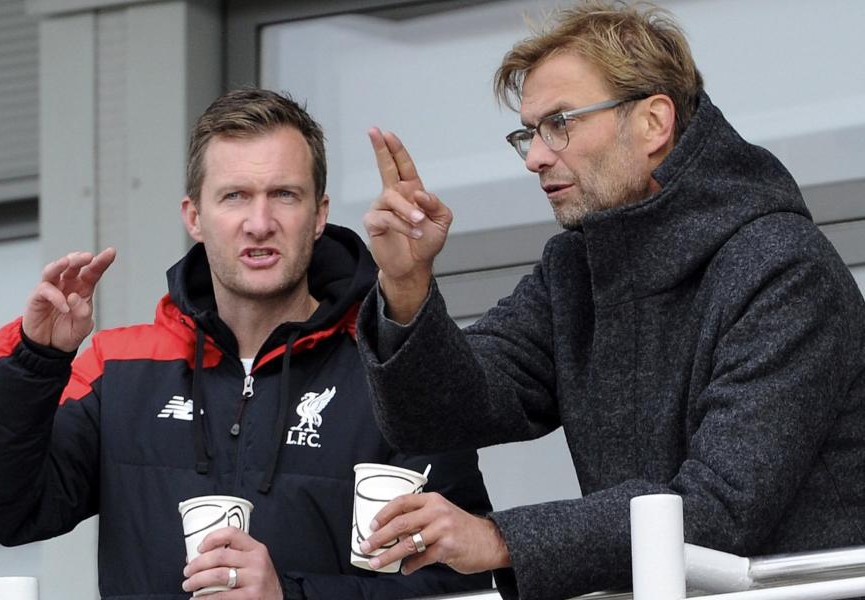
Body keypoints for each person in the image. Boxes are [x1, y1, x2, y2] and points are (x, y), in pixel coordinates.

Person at [354, 2, 865, 599]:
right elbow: (443, 415)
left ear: (653, 122)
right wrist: (408, 286)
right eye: (528, 133)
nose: (536, 157)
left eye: (561, 123)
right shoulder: (575, 267)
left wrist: (500, 539)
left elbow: (720, 510)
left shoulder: (784, 269)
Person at [0, 88, 492, 600]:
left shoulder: (391, 366)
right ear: (194, 217)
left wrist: (292, 595)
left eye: (284, 195)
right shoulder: (121, 367)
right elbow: (2, 506)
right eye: (234, 196)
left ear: (319, 215)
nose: (259, 222)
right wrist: (37, 358)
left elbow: (462, 584)